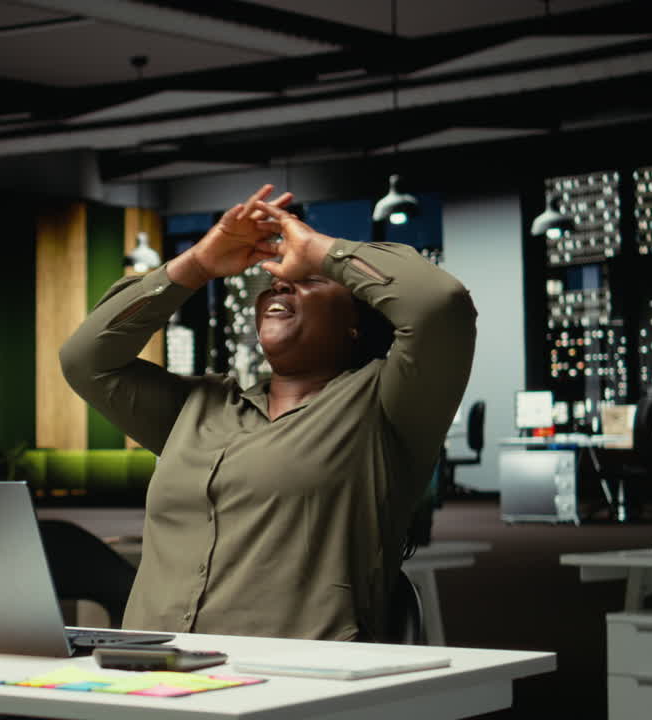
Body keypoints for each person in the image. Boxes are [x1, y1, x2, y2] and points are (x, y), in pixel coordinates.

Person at [59, 184, 477, 641]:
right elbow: (85, 359)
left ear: (358, 323)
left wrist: (318, 250)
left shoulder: (386, 404)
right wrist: (196, 266)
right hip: (151, 672)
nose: (281, 282)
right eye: (274, 281)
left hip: (293, 680)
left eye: (311, 280)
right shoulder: (199, 406)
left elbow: (440, 305)